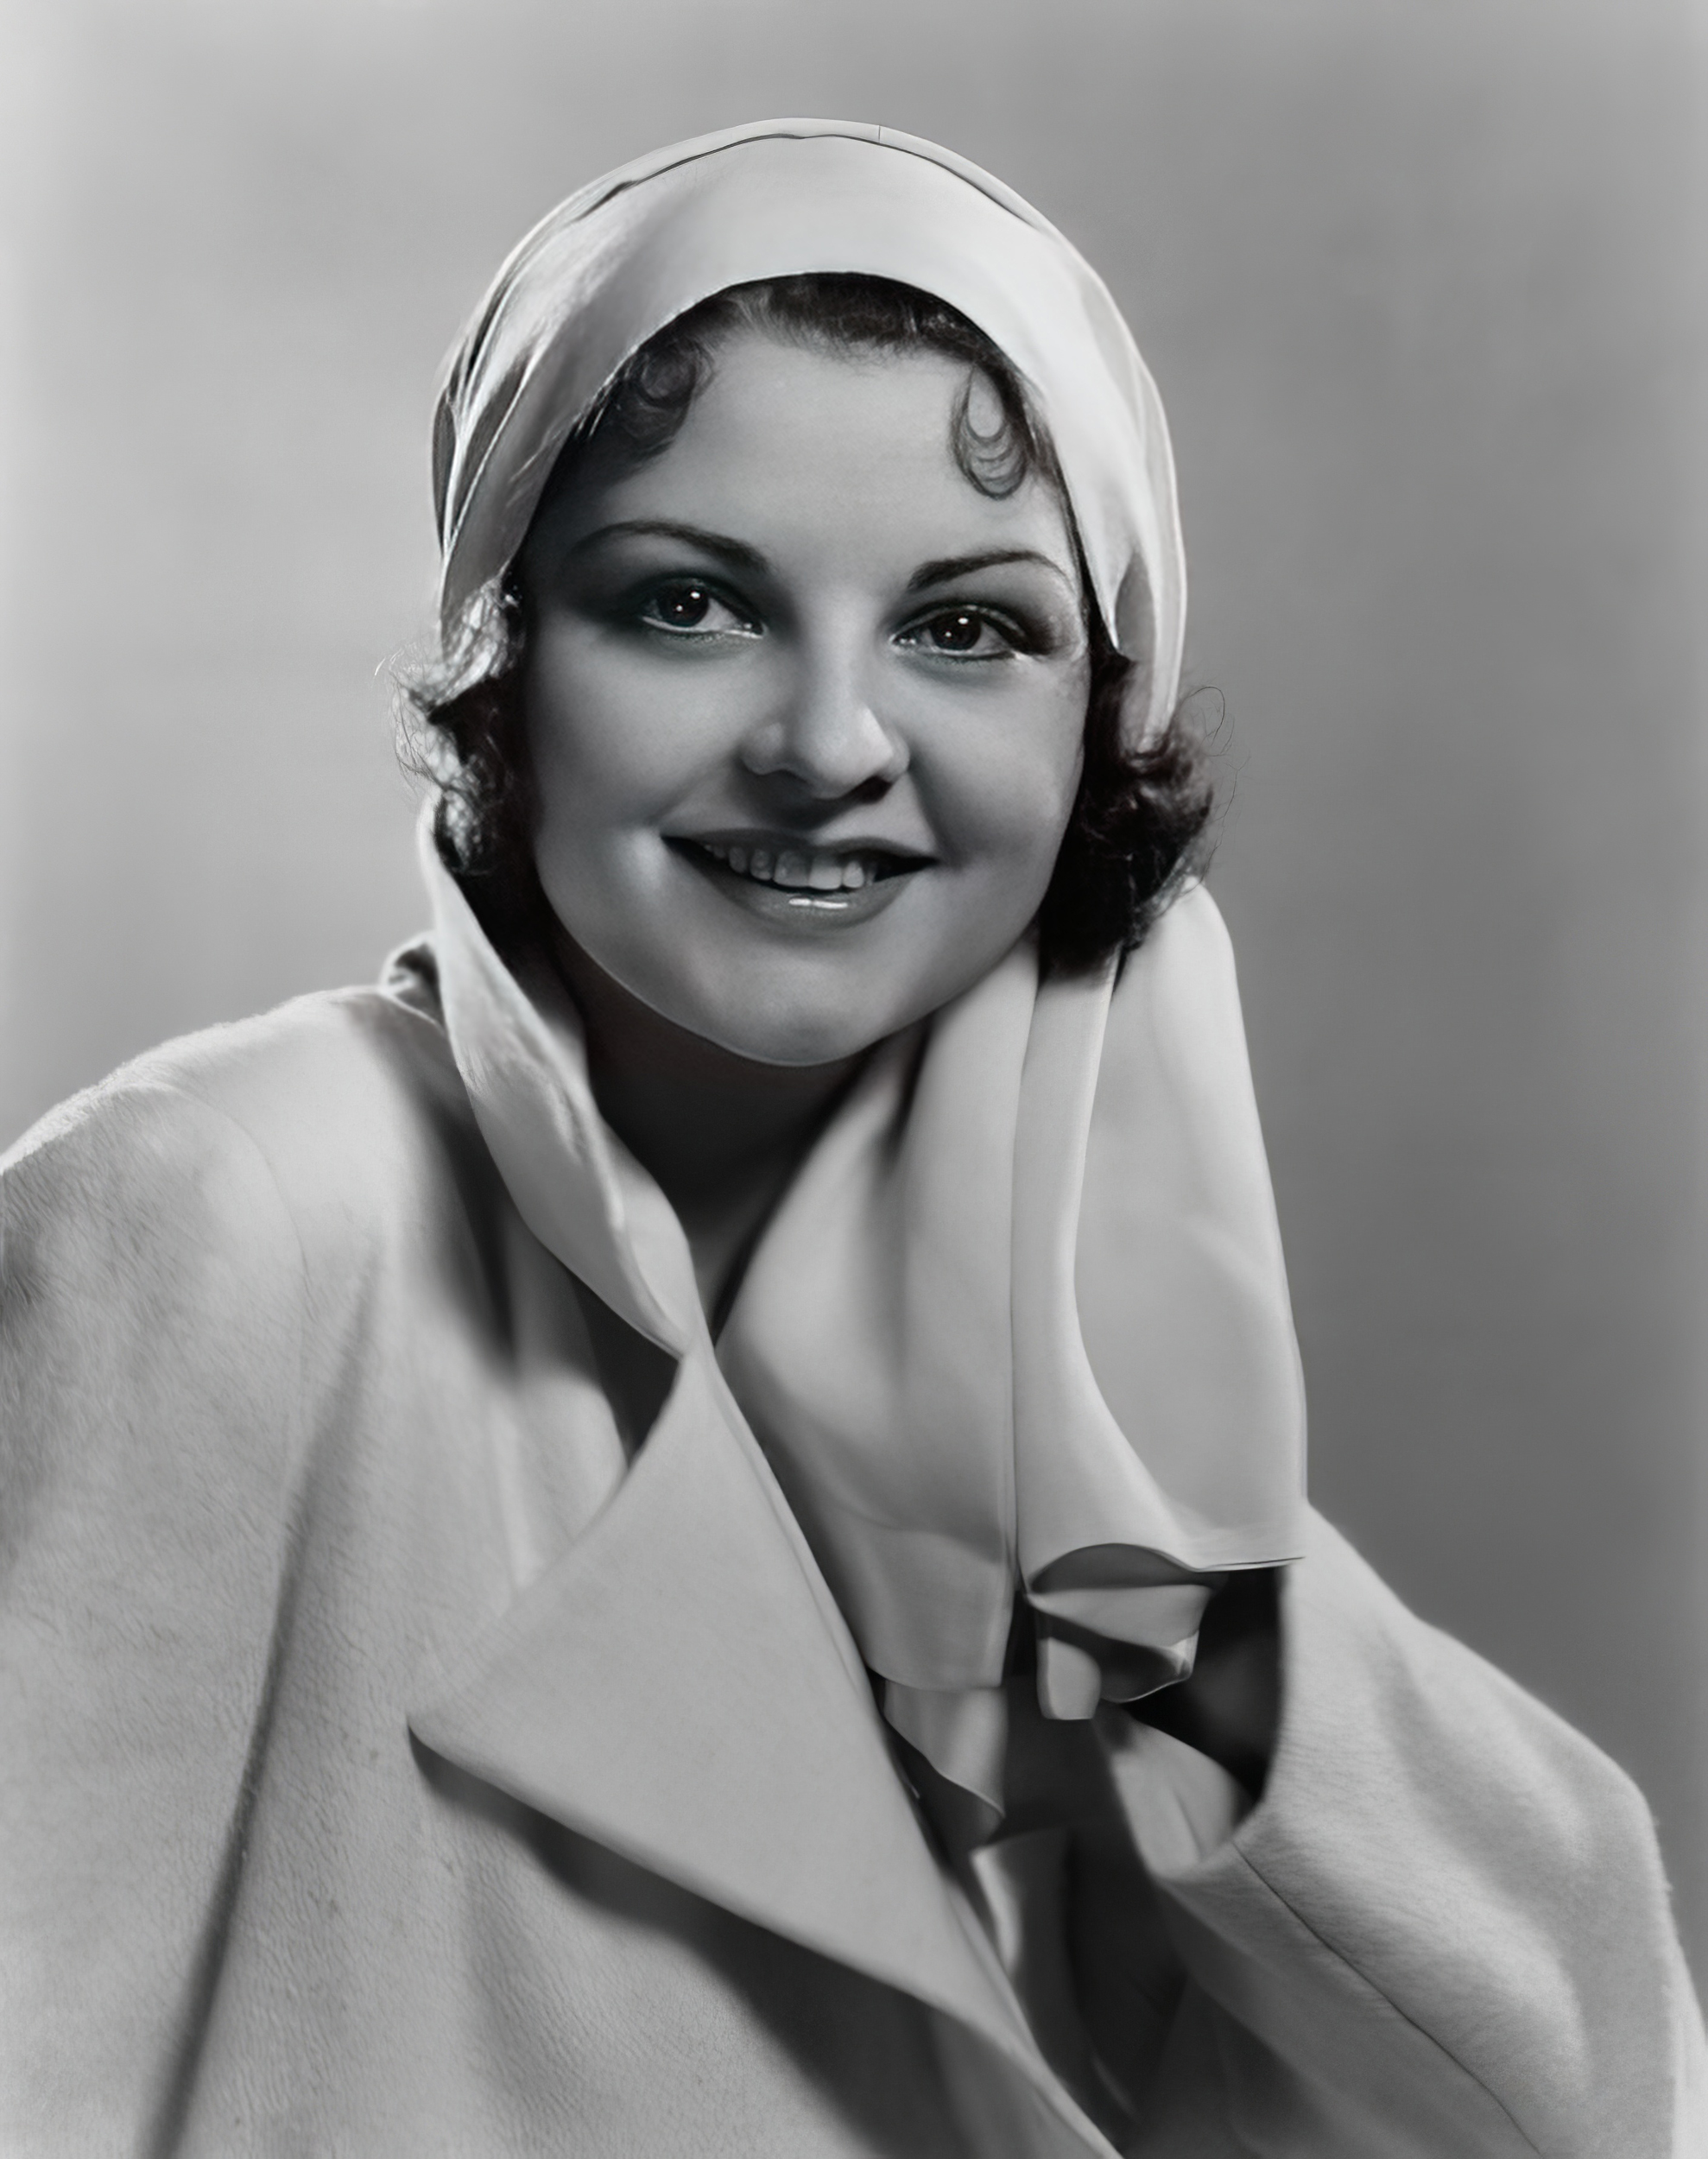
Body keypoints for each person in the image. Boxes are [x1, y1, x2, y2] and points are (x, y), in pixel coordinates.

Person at [0, 118, 1701, 2158]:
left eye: (963, 628)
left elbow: (1571, 2092)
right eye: (687, 603)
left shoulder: (1063, 1369)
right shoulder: (220, 1210)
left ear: (1096, 717)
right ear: (503, 657)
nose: (826, 742)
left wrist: (1129, 1551)